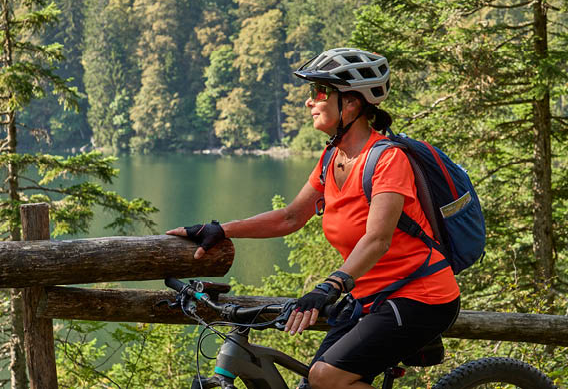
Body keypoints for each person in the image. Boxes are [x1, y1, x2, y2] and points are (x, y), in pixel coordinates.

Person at [167, 48, 460, 389]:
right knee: (312, 383)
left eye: (319, 92)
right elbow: (291, 217)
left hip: (420, 296)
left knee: (326, 377)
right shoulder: (331, 157)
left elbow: (377, 240)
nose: (310, 102)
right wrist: (221, 229)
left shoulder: (387, 160)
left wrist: (329, 286)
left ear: (351, 104)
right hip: (369, 298)